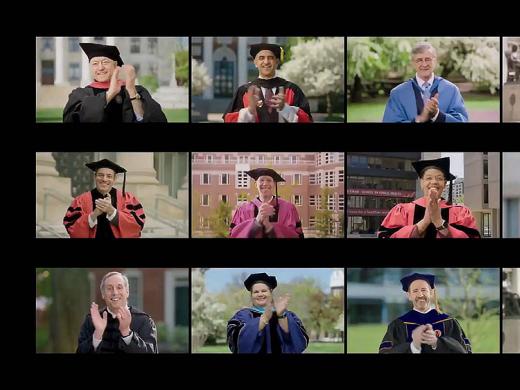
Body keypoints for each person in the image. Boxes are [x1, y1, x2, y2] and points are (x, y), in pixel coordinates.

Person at [378, 157, 480, 238]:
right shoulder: (402, 211)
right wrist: (423, 223)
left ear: (445, 184)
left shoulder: (460, 212)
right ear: (422, 183)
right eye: (428, 178)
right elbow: (385, 236)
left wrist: (439, 222)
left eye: (439, 178)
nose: (434, 182)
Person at [63, 42, 167, 123]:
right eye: (95, 63)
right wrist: (109, 94)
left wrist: (131, 90)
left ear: (115, 66)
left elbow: (156, 120)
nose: (100, 68)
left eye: (105, 62)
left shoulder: (137, 91)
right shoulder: (79, 94)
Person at [379, 272, 471, 354]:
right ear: (409, 295)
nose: (420, 295)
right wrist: (413, 346)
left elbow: (464, 350)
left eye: (424, 290)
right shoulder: (398, 325)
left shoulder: (449, 322)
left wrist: (437, 343)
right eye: (415, 291)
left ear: (431, 293)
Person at [223, 43, 312, 123]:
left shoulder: (292, 89)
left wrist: (285, 109)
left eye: (270, 58)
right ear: (255, 62)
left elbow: (307, 120)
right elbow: (228, 120)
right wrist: (249, 111)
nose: (266, 62)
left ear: (277, 61)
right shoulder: (244, 91)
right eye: (261, 58)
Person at [383, 42, 468, 123]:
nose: (424, 64)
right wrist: (419, 120)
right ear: (413, 63)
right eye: (419, 60)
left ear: (435, 61)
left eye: (428, 59)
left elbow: (462, 120)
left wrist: (437, 115)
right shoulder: (398, 93)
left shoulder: (451, 90)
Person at [227, 272, 309, 353]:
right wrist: (264, 319)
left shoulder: (288, 314)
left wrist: (281, 316)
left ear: (271, 292)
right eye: (256, 292)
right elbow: (235, 342)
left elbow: (300, 343)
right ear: (251, 295)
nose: (260, 294)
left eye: (264, 291)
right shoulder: (242, 315)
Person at [77, 271, 158, 353]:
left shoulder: (144, 321)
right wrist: (97, 335)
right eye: (109, 288)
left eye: (119, 287)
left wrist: (127, 333)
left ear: (127, 292)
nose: (115, 293)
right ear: (103, 294)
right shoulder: (91, 321)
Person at [63, 158, 145, 238]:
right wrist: (93, 215)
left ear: (114, 179)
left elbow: (137, 226)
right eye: (100, 175)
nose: (104, 179)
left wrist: (112, 211)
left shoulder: (127, 199)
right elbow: (71, 228)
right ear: (95, 176)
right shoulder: (81, 200)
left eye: (109, 176)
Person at [229, 168, 304, 238]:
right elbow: (234, 234)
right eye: (261, 180)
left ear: (274, 184)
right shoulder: (243, 209)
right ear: (255, 184)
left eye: (269, 180)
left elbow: (296, 234)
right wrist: (256, 222)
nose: (265, 183)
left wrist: (270, 227)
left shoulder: (288, 208)